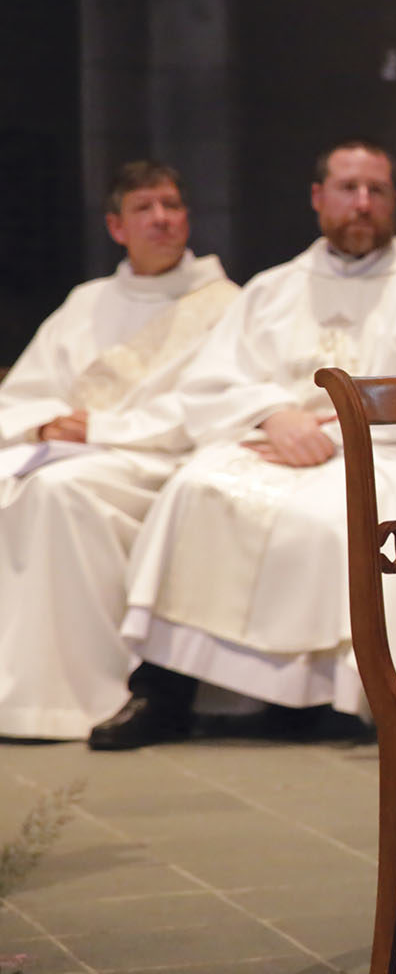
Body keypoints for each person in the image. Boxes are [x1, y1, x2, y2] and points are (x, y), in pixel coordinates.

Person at [89, 140, 396, 750]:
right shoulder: (273, 287)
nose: (362, 204)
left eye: (376, 191)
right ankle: (162, 693)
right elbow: (211, 381)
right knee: (194, 490)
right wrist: (271, 416)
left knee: (327, 521)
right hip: (271, 443)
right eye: (348, 189)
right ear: (319, 198)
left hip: (376, 450)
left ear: (394, 201)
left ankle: (318, 704)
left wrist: (337, 428)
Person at [0, 162, 238, 739]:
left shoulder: (226, 303)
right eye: (144, 208)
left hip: (159, 460)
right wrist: (47, 425)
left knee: (60, 493)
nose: (161, 219)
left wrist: (99, 429)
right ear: (116, 226)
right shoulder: (87, 302)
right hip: (81, 454)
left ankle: (81, 697)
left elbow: (210, 404)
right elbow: (25, 395)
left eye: (171, 205)